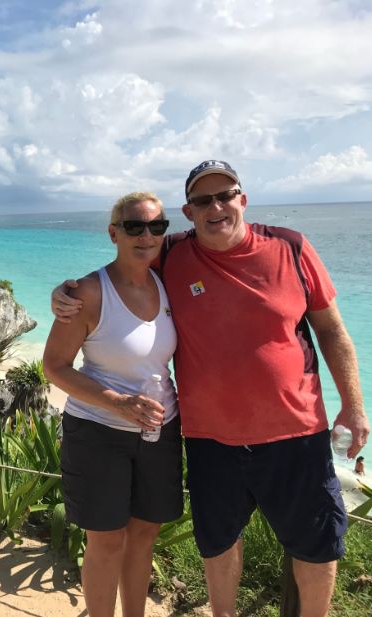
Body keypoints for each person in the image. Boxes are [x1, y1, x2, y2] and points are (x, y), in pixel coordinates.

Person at [52, 160, 369, 617]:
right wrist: (66, 291)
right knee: (219, 543)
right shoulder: (172, 253)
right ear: (189, 211)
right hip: (210, 440)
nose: (216, 206)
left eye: (226, 195)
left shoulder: (292, 248)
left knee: (316, 545)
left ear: (243, 198)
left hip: (296, 432)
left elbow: (333, 332)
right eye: (203, 200)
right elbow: (120, 272)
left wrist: (354, 408)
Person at [44, 192, 183, 617]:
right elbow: (54, 366)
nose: (146, 235)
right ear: (113, 233)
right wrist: (117, 403)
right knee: (105, 540)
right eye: (134, 227)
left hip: (159, 431)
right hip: (98, 433)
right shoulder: (88, 292)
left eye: (156, 226)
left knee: (144, 536)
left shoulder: (167, 280)